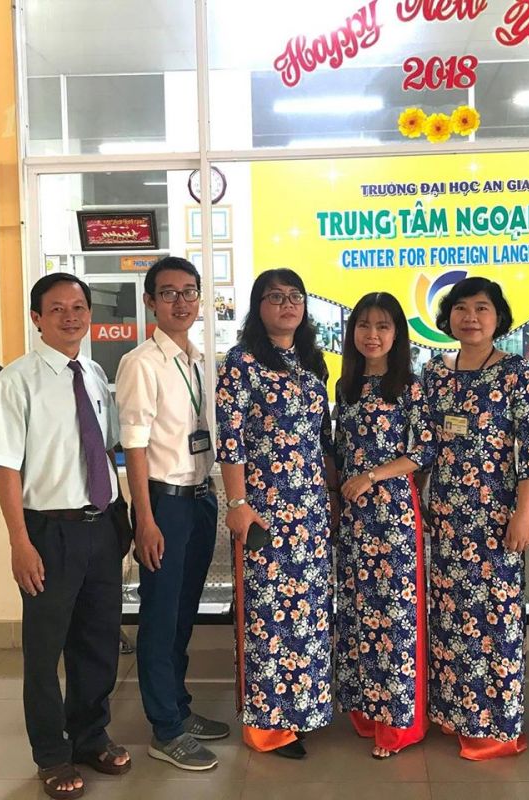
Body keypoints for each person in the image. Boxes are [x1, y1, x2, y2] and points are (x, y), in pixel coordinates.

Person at [0, 273, 130, 799]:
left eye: (79, 307)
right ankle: (51, 754)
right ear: (37, 318)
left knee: (98, 640)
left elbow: (105, 448)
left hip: (101, 527)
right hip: (48, 531)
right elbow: (5, 466)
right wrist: (19, 542)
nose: (71, 316)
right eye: (58, 308)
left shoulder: (93, 373)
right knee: (45, 652)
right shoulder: (16, 380)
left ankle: (90, 736)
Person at [215, 268, 336, 759]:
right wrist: (237, 504)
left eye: (295, 297)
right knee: (268, 617)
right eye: (275, 297)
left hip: (311, 512)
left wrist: (332, 494)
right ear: (258, 306)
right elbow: (230, 440)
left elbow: (322, 439)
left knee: (308, 614)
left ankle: (303, 711)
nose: (287, 305)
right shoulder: (241, 362)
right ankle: (269, 725)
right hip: (263, 512)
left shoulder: (310, 363)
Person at [115, 257, 228, 771]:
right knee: (161, 616)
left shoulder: (199, 360)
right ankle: (165, 729)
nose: (180, 302)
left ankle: (179, 709)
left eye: (189, 292)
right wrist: (145, 519)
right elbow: (134, 446)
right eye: (168, 293)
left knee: (184, 612)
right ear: (150, 302)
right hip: (164, 503)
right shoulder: (142, 363)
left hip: (200, 497)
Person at [423, 277, 529, 761]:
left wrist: (524, 514)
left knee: (495, 620)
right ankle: (455, 715)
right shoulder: (435, 372)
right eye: (461, 308)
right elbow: (424, 445)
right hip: (446, 517)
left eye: (481, 308)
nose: (470, 317)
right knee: (450, 617)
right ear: (448, 316)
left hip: (496, 518)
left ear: (498, 317)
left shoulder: (516, 372)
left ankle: (494, 727)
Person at [334, 292, 435, 759]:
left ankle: (398, 724)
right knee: (358, 611)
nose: (372, 335)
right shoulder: (346, 386)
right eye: (363, 325)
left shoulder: (409, 386)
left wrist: (371, 477)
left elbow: (423, 450)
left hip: (392, 514)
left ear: (397, 334)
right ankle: (365, 711)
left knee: (394, 616)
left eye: (383, 326)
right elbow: (338, 448)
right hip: (353, 516)